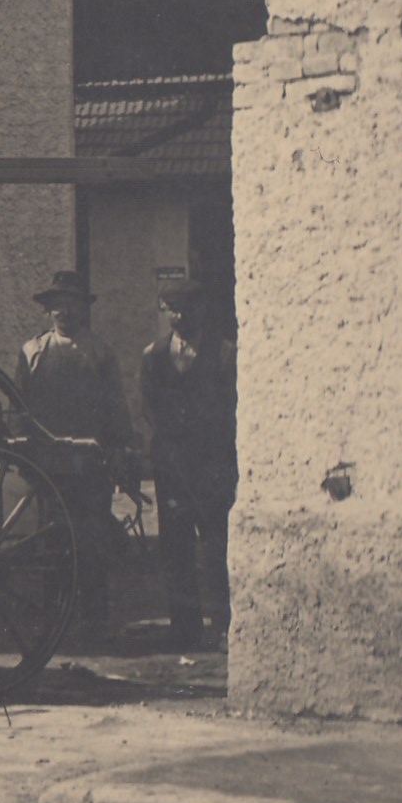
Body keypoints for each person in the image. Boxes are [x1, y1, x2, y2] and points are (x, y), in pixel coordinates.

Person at [10, 269, 137, 639]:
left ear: (82, 309)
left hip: (91, 464)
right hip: (50, 465)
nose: (63, 312)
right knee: (54, 541)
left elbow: (115, 407)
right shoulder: (33, 352)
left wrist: (120, 449)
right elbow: (19, 407)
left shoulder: (99, 353)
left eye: (71, 305)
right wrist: (23, 449)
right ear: (48, 310)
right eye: (57, 306)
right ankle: (55, 622)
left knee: (92, 542)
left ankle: (94, 620)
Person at [138, 273, 237, 650]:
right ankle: (185, 629)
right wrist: (171, 440)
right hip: (172, 467)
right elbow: (149, 408)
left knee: (216, 546)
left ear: (201, 310)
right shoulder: (154, 355)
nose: (178, 317)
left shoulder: (224, 353)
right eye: (172, 310)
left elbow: (230, 408)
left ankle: (225, 625)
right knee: (175, 547)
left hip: (212, 466)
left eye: (185, 309)